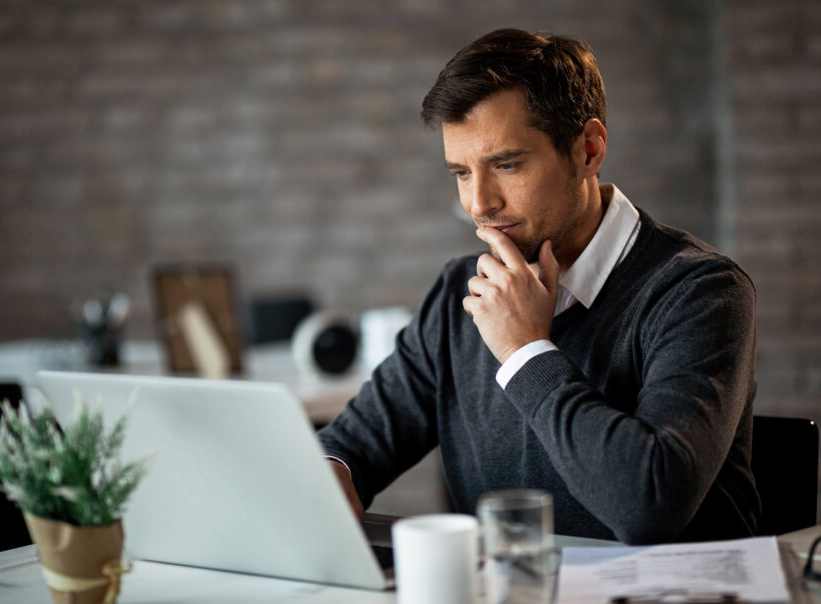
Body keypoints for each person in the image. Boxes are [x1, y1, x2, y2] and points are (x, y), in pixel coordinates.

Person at [317, 28, 759, 544]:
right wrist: (332, 470)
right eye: (461, 172)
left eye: (506, 164)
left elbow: (648, 504)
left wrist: (524, 350)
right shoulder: (459, 292)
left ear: (589, 150)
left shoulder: (700, 291)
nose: (479, 203)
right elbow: (354, 442)